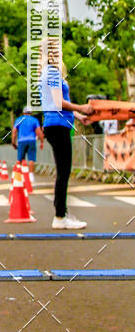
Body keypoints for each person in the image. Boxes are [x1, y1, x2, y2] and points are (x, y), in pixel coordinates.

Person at [38, 40, 93, 229]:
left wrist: (78, 115)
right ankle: (60, 216)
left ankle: (61, 214)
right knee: (64, 171)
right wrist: (82, 108)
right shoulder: (52, 73)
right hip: (58, 125)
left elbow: (57, 103)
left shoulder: (46, 72)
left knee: (63, 171)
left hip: (57, 124)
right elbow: (59, 102)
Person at [12, 107, 44, 186]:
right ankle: (31, 176)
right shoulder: (34, 120)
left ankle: (19, 176)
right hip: (31, 140)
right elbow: (39, 131)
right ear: (31, 112)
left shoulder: (19, 120)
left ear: (23, 112)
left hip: (21, 141)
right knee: (31, 159)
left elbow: (14, 131)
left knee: (20, 159)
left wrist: (13, 142)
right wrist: (42, 141)